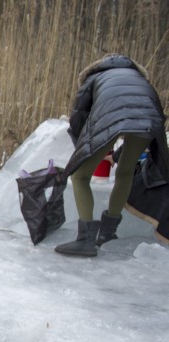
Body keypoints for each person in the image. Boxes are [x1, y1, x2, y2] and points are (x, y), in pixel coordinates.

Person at [55, 53, 169, 257]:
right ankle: (107, 233)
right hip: (149, 122)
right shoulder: (140, 79)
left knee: (80, 176)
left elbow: (79, 118)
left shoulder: (93, 78)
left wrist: (82, 151)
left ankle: (85, 240)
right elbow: (147, 112)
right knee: (125, 172)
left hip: (111, 118)